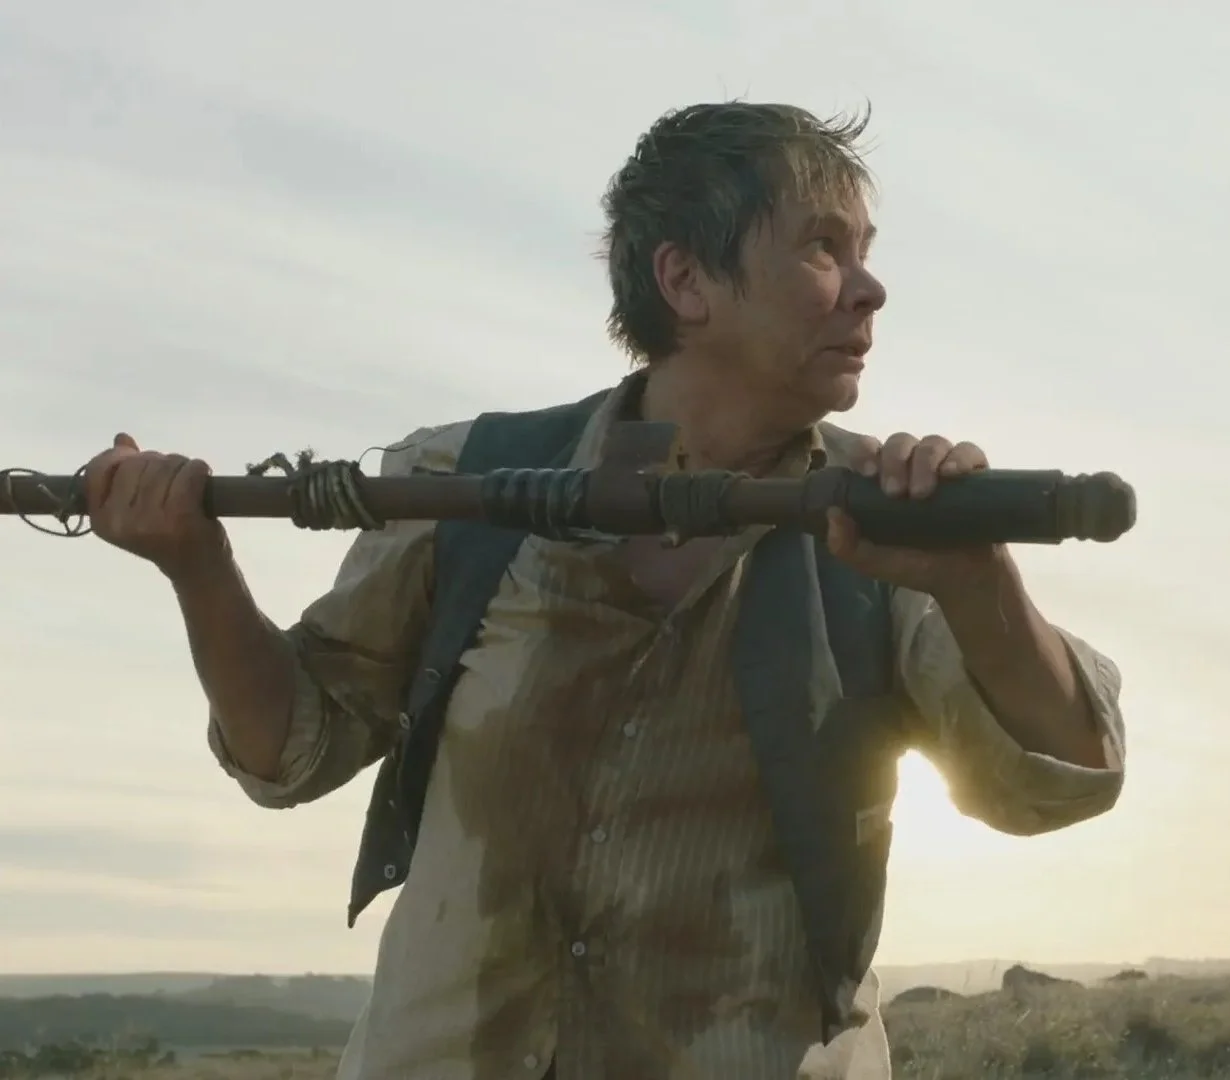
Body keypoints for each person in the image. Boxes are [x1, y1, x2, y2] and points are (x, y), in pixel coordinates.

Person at [82, 102, 1127, 1080]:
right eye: (822, 247)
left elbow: (1062, 781)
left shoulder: (887, 526)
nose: (868, 288)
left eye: (865, 254)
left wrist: (978, 577)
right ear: (686, 282)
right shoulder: (464, 485)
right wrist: (198, 568)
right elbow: (290, 749)